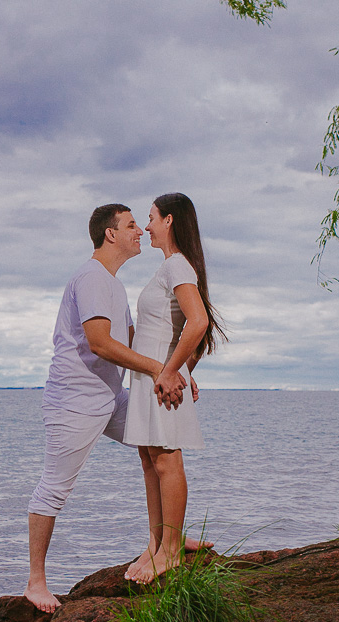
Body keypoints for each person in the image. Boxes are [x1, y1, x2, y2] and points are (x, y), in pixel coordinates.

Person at [23, 204, 187, 613]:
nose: (138, 231)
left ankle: (169, 541)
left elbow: (134, 342)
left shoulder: (112, 284)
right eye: (131, 225)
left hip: (110, 397)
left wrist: (175, 370)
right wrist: (158, 370)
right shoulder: (92, 277)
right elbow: (100, 342)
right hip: (75, 402)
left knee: (160, 445)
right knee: (55, 487)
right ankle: (35, 583)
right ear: (110, 234)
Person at [123, 192, 227, 584]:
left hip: (160, 379)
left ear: (169, 220)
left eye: (150, 217)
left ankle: (170, 552)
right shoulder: (169, 267)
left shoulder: (178, 265)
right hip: (153, 376)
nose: (146, 226)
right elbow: (182, 328)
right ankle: (157, 543)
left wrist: (171, 372)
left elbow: (198, 322)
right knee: (150, 460)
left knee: (166, 460)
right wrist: (181, 367)